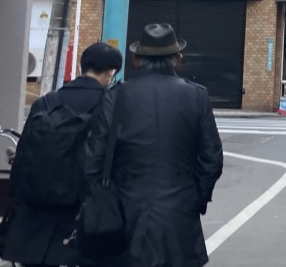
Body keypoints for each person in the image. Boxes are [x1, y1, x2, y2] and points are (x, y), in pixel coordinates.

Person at [83, 23, 224, 267]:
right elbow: (211, 158)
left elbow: (94, 156)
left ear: (137, 59)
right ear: (177, 59)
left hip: (123, 213)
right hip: (179, 212)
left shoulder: (116, 96)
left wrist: (102, 198)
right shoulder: (196, 96)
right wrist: (196, 198)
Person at [0, 42, 121, 267]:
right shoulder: (108, 106)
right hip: (77, 209)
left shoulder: (46, 102)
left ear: (83, 66)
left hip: (35, 207)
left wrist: (13, 204)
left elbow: (23, 155)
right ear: (110, 72)